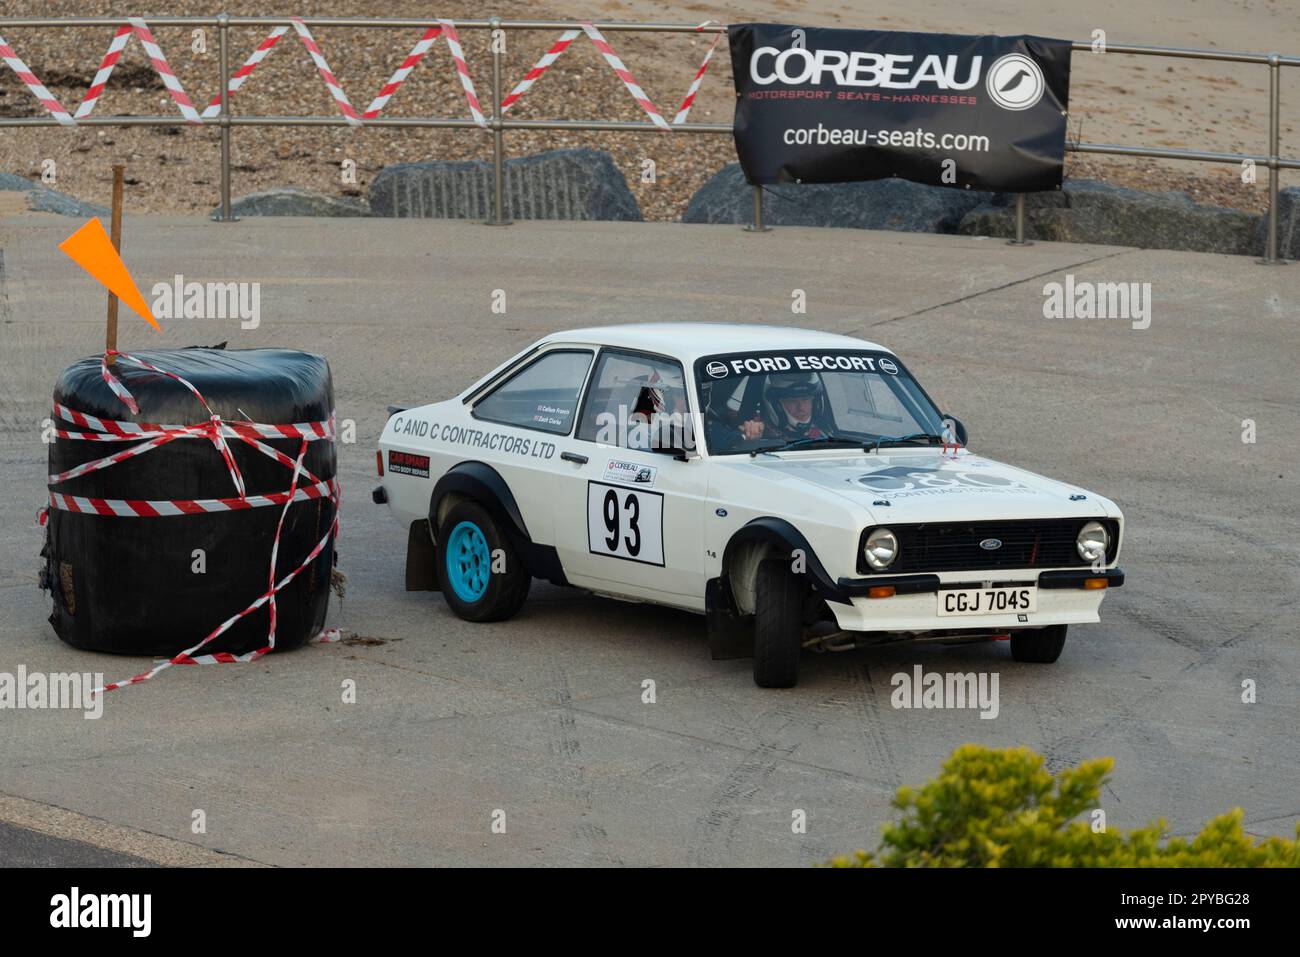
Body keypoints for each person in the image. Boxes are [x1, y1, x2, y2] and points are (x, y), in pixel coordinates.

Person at [740, 371, 832, 442]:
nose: (801, 407)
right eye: (792, 400)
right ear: (776, 406)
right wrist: (750, 439)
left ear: (815, 403)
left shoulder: (827, 434)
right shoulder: (759, 434)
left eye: (806, 399)